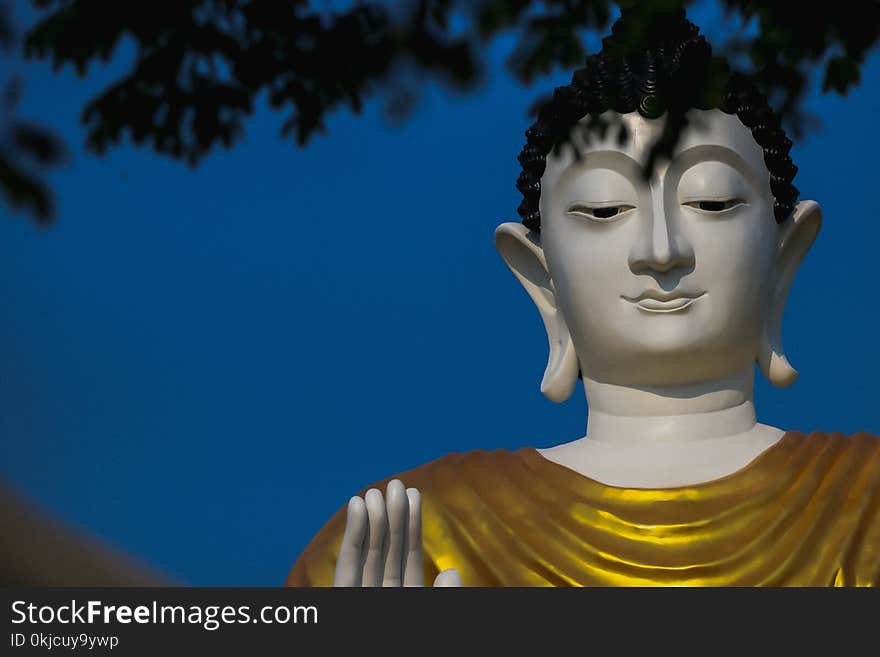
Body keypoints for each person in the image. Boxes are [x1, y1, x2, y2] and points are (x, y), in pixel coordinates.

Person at [286, 10, 880, 587]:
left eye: (712, 202)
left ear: (785, 255)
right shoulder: (416, 534)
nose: (661, 249)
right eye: (604, 209)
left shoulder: (865, 505)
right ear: (540, 276)